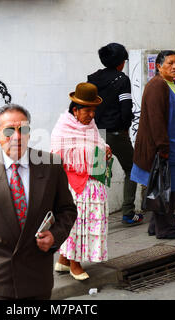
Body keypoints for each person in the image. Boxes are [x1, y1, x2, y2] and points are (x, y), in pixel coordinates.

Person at [0, 104, 77, 300]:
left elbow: (67, 210)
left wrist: (55, 236)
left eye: (24, 130)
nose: (17, 137)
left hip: (37, 275)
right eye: (9, 130)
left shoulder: (50, 165)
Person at [50, 83, 112, 281]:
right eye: (87, 110)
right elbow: (58, 157)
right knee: (77, 223)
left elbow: (97, 144)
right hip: (74, 185)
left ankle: (63, 259)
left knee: (86, 222)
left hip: (92, 180)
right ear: (75, 110)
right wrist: (94, 153)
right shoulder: (63, 129)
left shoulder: (90, 126)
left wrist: (105, 149)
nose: (92, 115)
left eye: (94, 110)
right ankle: (75, 264)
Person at [131, 50, 175, 239]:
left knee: (172, 187)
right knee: (166, 189)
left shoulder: (173, 84)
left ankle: (155, 226)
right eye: (169, 63)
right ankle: (165, 228)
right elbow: (156, 120)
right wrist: (163, 147)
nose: (174, 67)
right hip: (166, 148)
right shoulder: (157, 85)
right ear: (158, 67)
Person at [87, 43, 142, 226]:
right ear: (121, 62)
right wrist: (125, 127)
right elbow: (126, 108)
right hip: (116, 133)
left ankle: (94, 216)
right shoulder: (122, 79)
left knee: (97, 174)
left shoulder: (93, 78)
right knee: (132, 168)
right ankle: (128, 212)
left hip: (96, 133)